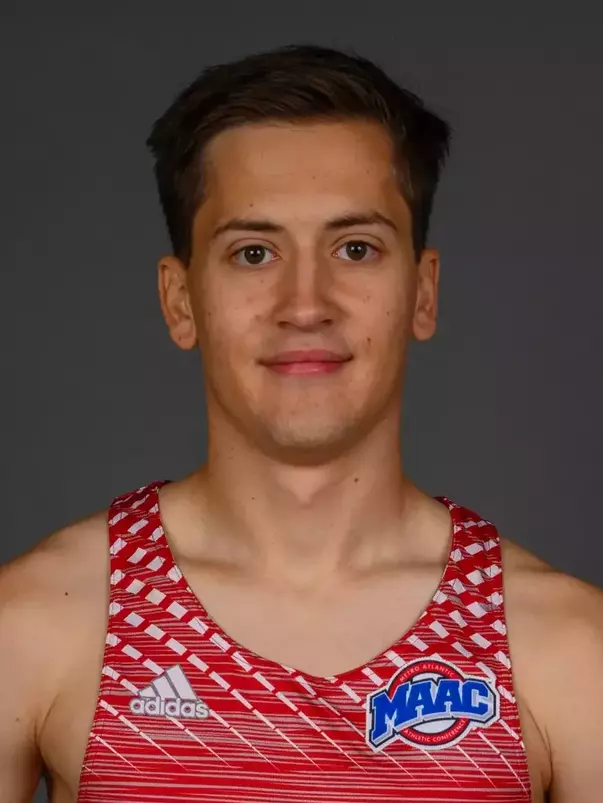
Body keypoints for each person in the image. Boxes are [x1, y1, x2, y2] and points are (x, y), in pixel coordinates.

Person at [0, 43, 601, 803]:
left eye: (355, 248)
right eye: (253, 253)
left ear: (421, 291)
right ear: (180, 300)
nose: (305, 302)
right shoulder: (36, 627)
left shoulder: (567, 649)